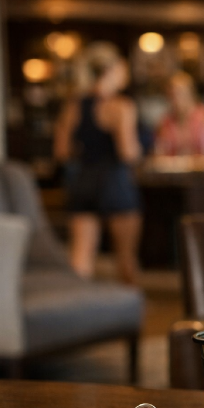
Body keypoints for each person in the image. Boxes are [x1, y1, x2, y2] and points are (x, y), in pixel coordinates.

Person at [53, 42, 142, 285]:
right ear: (111, 69)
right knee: (125, 259)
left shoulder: (74, 105)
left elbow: (61, 151)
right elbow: (128, 153)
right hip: (115, 182)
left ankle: (79, 313)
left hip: (83, 180)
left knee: (81, 260)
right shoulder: (120, 105)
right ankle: (129, 312)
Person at [155, 71, 204, 157]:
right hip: (173, 170)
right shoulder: (165, 122)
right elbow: (160, 152)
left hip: (203, 170)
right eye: (171, 95)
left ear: (191, 93)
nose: (175, 100)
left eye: (179, 94)